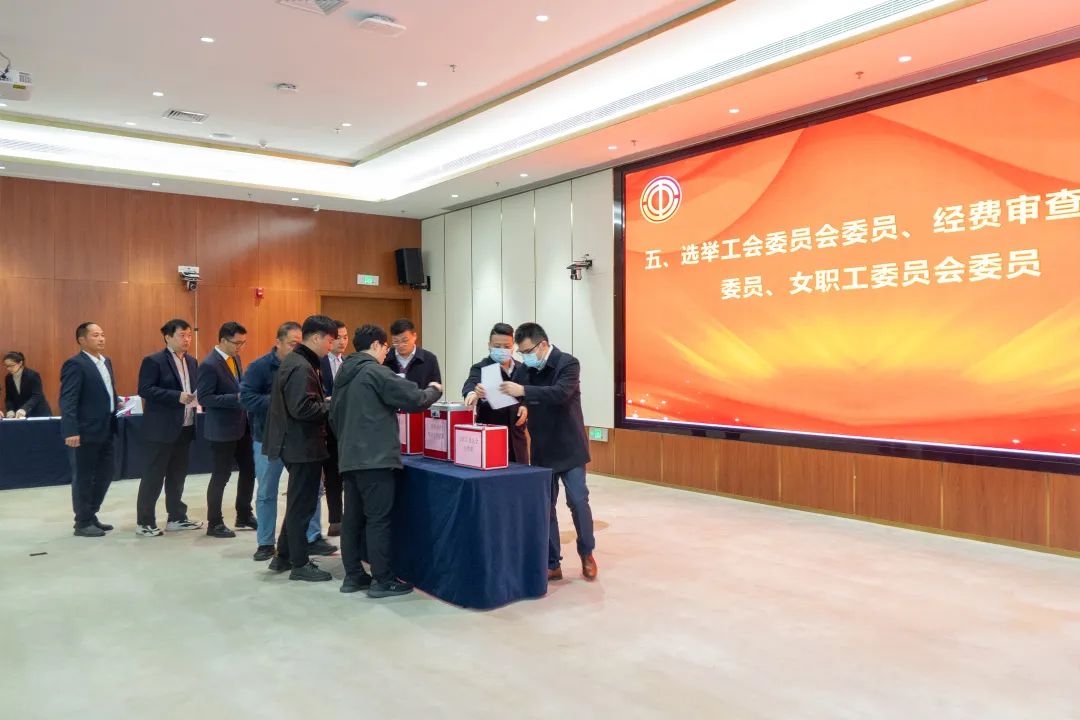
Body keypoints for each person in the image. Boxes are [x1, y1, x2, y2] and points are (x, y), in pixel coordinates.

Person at [331, 323, 442, 598]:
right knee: (378, 520)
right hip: (375, 459)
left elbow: (333, 414)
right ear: (377, 345)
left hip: (349, 457)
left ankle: (353, 576)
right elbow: (415, 399)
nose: (387, 354)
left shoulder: (344, 372)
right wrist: (434, 389)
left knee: (352, 519)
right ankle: (382, 580)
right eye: (385, 348)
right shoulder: (375, 371)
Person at [500, 322, 597, 581]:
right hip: (542, 448)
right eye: (521, 353)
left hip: (570, 446)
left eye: (527, 351)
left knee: (578, 501)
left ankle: (587, 553)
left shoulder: (568, 363)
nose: (525, 358)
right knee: (546, 507)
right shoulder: (526, 370)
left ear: (542, 345)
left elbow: (560, 394)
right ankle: (552, 562)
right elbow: (514, 395)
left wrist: (524, 392)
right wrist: (488, 393)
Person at [239, 322, 331, 562]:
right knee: (267, 491)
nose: (297, 347)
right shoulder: (260, 367)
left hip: (298, 439)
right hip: (268, 437)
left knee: (308, 491)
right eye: (292, 343)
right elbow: (246, 398)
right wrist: (281, 401)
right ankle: (265, 542)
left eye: (299, 342)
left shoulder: (308, 363)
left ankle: (312, 537)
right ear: (278, 342)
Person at [263, 315, 338, 582]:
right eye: (330, 340)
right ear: (316, 338)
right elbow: (302, 409)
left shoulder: (298, 361)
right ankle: (300, 563)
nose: (331, 346)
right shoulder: (301, 366)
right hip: (301, 445)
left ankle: (283, 556)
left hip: (298, 444)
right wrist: (331, 404)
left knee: (298, 503)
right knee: (301, 506)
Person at [133, 319, 202, 537]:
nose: (187, 339)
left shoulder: (192, 361)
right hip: (160, 429)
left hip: (186, 425)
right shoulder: (154, 361)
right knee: (153, 476)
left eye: (189, 335)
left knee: (178, 475)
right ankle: (145, 521)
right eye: (182, 335)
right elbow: (145, 389)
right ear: (168, 337)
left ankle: (176, 517)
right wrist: (176, 396)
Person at [59, 322, 121, 537]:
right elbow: (68, 400)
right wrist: (70, 430)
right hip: (84, 431)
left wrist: (115, 401)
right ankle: (82, 522)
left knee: (106, 473)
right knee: (84, 477)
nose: (101, 338)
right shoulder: (75, 364)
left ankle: (90, 513)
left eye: (102, 334)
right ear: (82, 340)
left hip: (107, 428)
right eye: (95, 335)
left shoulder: (106, 361)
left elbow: (105, 390)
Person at [196, 321, 257, 538]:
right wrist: (236, 398)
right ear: (223, 340)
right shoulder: (209, 364)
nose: (240, 347)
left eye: (243, 343)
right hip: (221, 430)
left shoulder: (235, 358)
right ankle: (214, 522)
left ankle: (244, 513)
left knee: (249, 470)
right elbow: (205, 398)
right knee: (221, 476)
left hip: (242, 426)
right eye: (236, 343)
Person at [462, 323, 529, 463]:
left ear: (513, 346)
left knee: (520, 474)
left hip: (517, 438)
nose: (502, 350)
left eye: (506, 346)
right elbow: (471, 383)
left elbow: (530, 392)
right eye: (497, 346)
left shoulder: (522, 368)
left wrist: (526, 406)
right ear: (489, 345)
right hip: (491, 435)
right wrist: (473, 393)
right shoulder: (481, 367)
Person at [318, 319, 348, 536]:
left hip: (346, 428)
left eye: (345, 337)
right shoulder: (318, 363)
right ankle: (335, 520)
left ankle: (348, 518)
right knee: (331, 475)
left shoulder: (349, 363)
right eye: (338, 338)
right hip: (324, 427)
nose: (342, 342)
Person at [382, 318, 441, 389]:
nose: (400, 345)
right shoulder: (384, 358)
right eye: (396, 341)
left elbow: (437, 388)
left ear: (414, 336)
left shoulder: (429, 359)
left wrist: (422, 395)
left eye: (405, 341)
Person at [3, 351, 52, 418]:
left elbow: (37, 395)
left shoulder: (32, 375)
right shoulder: (8, 378)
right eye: (6, 366)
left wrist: (24, 409)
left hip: (38, 412)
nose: (8, 368)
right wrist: (10, 410)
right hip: (20, 415)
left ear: (20, 363)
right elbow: (9, 397)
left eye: (11, 365)